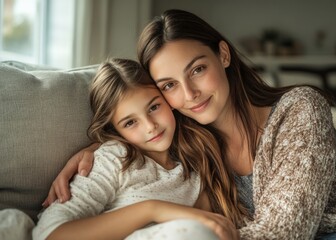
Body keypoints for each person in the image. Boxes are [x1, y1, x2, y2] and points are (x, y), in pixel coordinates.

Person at [45, 9, 336, 239]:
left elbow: (285, 232)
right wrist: (101, 147)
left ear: (223, 55)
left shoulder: (300, 108)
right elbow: (142, 124)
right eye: (169, 85)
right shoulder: (189, 140)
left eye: (196, 70)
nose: (189, 94)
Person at [33, 58, 240, 240]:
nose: (151, 126)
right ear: (114, 129)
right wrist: (151, 210)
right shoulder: (114, 159)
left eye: (153, 107)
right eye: (130, 122)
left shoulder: (196, 164)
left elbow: (206, 226)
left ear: (168, 100)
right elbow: (50, 233)